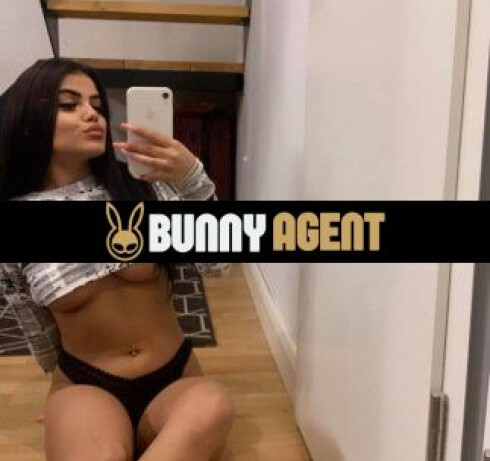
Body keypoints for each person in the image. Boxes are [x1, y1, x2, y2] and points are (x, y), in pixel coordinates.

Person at [0, 58, 235, 461]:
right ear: (27, 120)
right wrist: (66, 411)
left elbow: (219, 262)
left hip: (174, 378)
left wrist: (190, 178)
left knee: (214, 406)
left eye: (97, 105)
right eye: (69, 104)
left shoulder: (142, 189)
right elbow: (33, 323)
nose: (92, 114)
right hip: (87, 385)